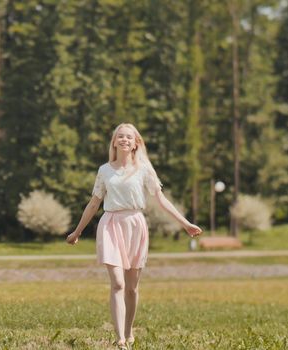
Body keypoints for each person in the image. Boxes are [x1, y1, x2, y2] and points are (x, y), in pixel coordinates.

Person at [66, 123, 202, 349]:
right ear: (114, 142)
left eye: (129, 137)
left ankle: (129, 331)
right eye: (120, 136)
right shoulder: (105, 170)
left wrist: (185, 224)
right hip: (110, 225)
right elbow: (93, 204)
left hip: (136, 226)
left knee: (132, 287)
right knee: (117, 283)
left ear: (136, 142)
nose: (124, 140)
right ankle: (120, 339)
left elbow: (161, 200)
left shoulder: (144, 169)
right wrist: (77, 231)